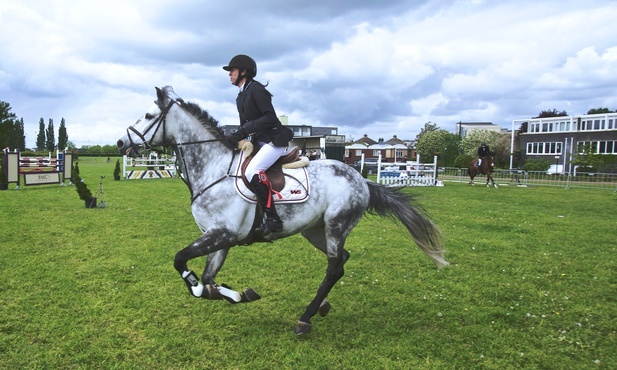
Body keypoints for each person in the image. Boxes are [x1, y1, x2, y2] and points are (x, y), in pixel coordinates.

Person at [224, 54, 294, 233]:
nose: (229, 74)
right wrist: (234, 138)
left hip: (274, 141)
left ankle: (272, 217)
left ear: (244, 71)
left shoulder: (256, 90)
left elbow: (270, 118)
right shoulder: (240, 97)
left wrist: (245, 130)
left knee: (251, 171)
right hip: (259, 142)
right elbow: (244, 126)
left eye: (232, 70)